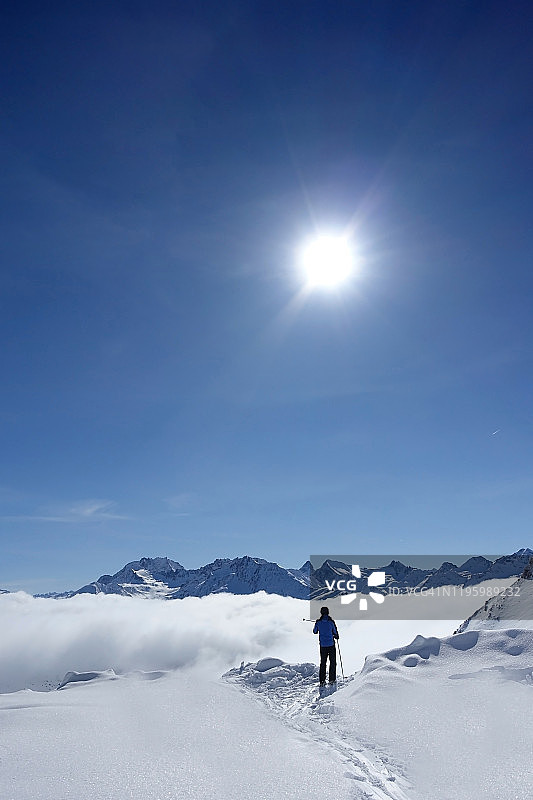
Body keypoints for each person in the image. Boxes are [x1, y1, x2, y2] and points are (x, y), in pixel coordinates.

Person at [313, 606, 339, 685]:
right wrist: (336, 635)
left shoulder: (318, 622)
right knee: (333, 662)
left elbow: (315, 631)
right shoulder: (331, 622)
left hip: (323, 645)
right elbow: (335, 632)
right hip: (331, 644)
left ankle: (322, 680)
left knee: (323, 663)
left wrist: (317, 624)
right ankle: (332, 679)